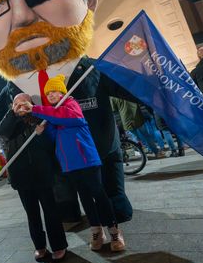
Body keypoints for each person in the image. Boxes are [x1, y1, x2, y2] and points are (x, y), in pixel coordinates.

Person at [0, 0, 133, 226]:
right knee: (61, 191)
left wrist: (162, 92)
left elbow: (131, 86)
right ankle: (68, 206)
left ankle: (113, 204)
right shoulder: (18, 85)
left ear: (88, 2)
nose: (22, 15)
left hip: (99, 148)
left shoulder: (90, 69)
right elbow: (0, 110)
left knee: (107, 189)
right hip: (57, 155)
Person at [22, 75, 125, 251]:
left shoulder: (71, 104)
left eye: (54, 91)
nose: (51, 95)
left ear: (62, 92)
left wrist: (36, 109)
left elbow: (69, 118)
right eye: (48, 93)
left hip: (86, 160)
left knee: (99, 194)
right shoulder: (53, 114)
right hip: (70, 164)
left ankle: (114, 230)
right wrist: (42, 132)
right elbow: (54, 137)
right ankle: (96, 230)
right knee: (85, 197)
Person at [0, 93, 68, 261]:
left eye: (24, 103)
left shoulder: (39, 117)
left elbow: (52, 143)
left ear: (31, 103)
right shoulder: (10, 121)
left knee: (51, 211)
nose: (21, 106)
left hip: (42, 173)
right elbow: (1, 132)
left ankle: (59, 245)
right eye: (16, 103)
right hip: (21, 176)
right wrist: (12, 114)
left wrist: (42, 133)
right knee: (32, 214)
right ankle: (40, 246)